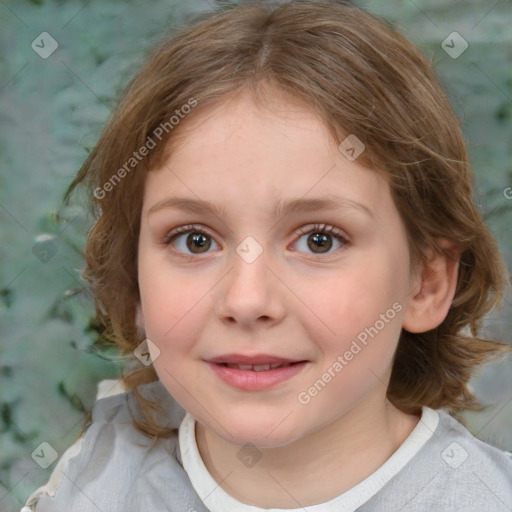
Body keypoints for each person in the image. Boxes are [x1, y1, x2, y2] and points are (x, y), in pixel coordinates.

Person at [22, 1, 512, 511]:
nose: (247, 299)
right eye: (195, 240)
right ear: (135, 276)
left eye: (319, 240)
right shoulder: (87, 482)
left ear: (426, 284)